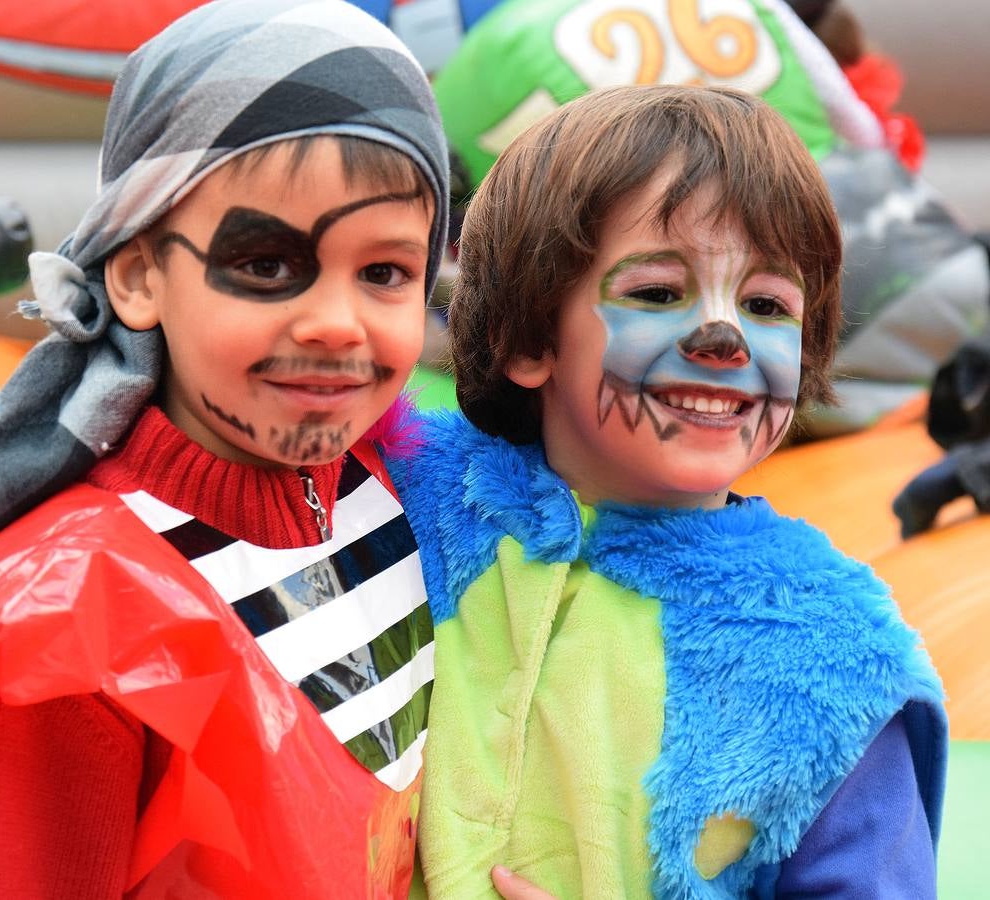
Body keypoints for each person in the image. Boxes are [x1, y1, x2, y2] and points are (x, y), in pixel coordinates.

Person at [0, 1, 449, 897]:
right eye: (267, 266)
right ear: (138, 276)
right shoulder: (46, 640)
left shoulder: (403, 493)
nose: (334, 323)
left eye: (384, 272)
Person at [389, 85, 947, 898]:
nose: (723, 338)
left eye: (766, 305)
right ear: (529, 337)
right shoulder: (410, 499)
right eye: (657, 294)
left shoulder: (833, 659)